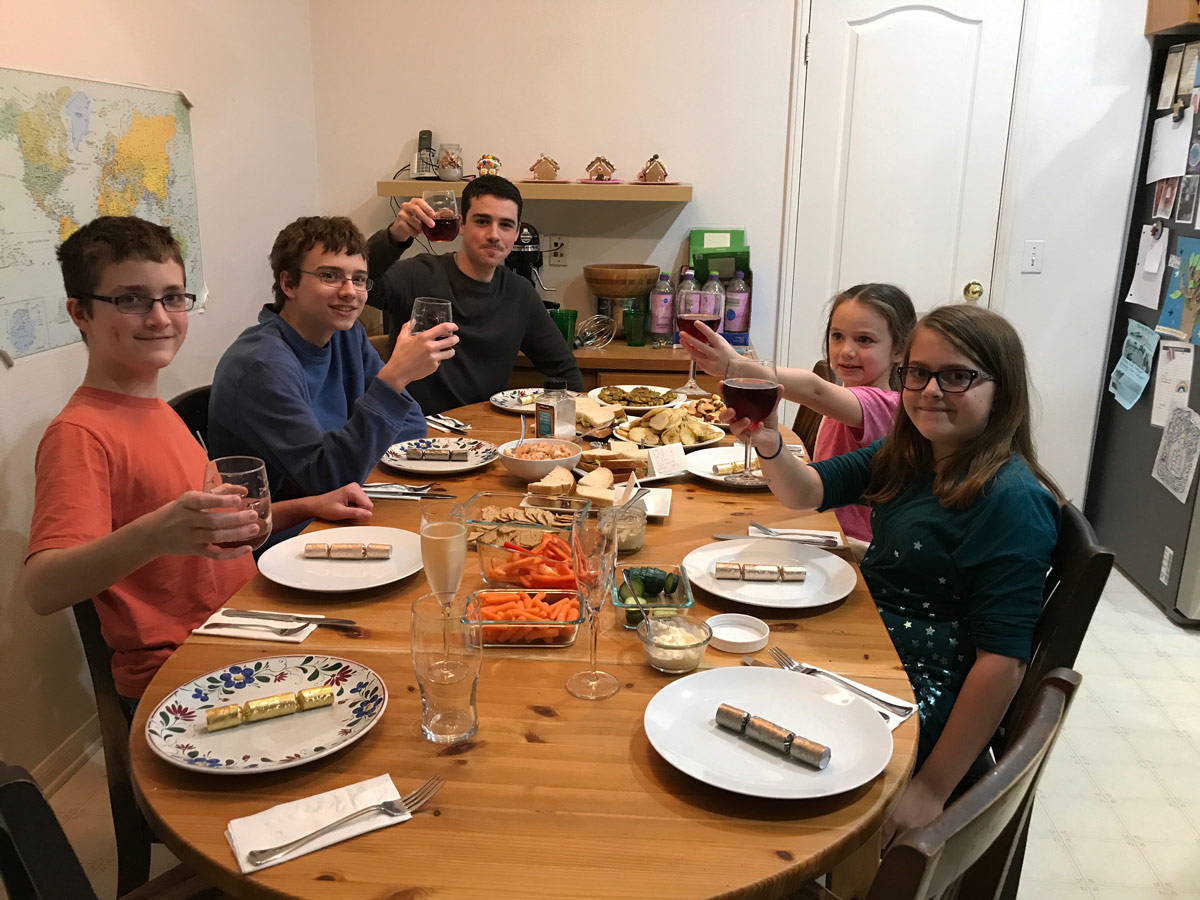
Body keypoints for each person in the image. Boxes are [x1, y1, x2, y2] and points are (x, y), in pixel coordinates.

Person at [722, 304, 1062, 843]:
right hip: (869, 644)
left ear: (1003, 390)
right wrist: (768, 443)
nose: (929, 390)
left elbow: (1002, 664)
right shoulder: (912, 454)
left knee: (739, 730)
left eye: (957, 376)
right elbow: (805, 491)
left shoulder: (1011, 501)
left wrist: (930, 788)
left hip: (918, 689)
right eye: (918, 373)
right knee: (724, 667)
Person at [17, 216, 373, 703]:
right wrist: (157, 532)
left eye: (172, 297)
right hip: (183, 674)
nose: (160, 317)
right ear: (80, 313)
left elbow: (206, 533)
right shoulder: (80, 433)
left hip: (245, 626)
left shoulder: (157, 412)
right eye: (131, 300)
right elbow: (42, 588)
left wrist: (309, 505)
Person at [209, 216, 450, 529]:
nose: (350, 291)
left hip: (339, 509)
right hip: (280, 535)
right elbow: (325, 480)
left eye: (360, 279)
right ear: (288, 284)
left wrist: (352, 454)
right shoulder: (262, 365)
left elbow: (411, 428)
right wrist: (393, 379)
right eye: (331, 276)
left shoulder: (345, 335)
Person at [681, 283, 916, 549]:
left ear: (899, 350)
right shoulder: (849, 396)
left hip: (851, 544)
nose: (846, 350)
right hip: (819, 522)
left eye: (864, 340)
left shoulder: (885, 405)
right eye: (837, 336)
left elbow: (814, 390)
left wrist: (735, 364)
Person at [365, 175, 583, 414]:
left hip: (484, 435)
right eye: (482, 221)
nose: (494, 235)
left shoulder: (520, 294)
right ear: (461, 224)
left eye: (506, 225)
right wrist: (394, 236)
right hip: (418, 434)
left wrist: (567, 425)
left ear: (517, 232)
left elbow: (564, 370)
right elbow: (361, 283)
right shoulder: (418, 275)